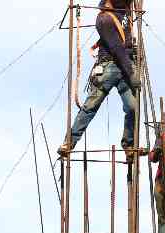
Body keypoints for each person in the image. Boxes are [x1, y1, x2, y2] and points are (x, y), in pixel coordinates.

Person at [57, 0, 140, 157]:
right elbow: (116, 48)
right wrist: (131, 72)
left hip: (125, 65)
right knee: (91, 106)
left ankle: (129, 144)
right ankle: (70, 141)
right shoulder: (104, 19)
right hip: (110, 66)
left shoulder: (125, 12)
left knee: (133, 107)